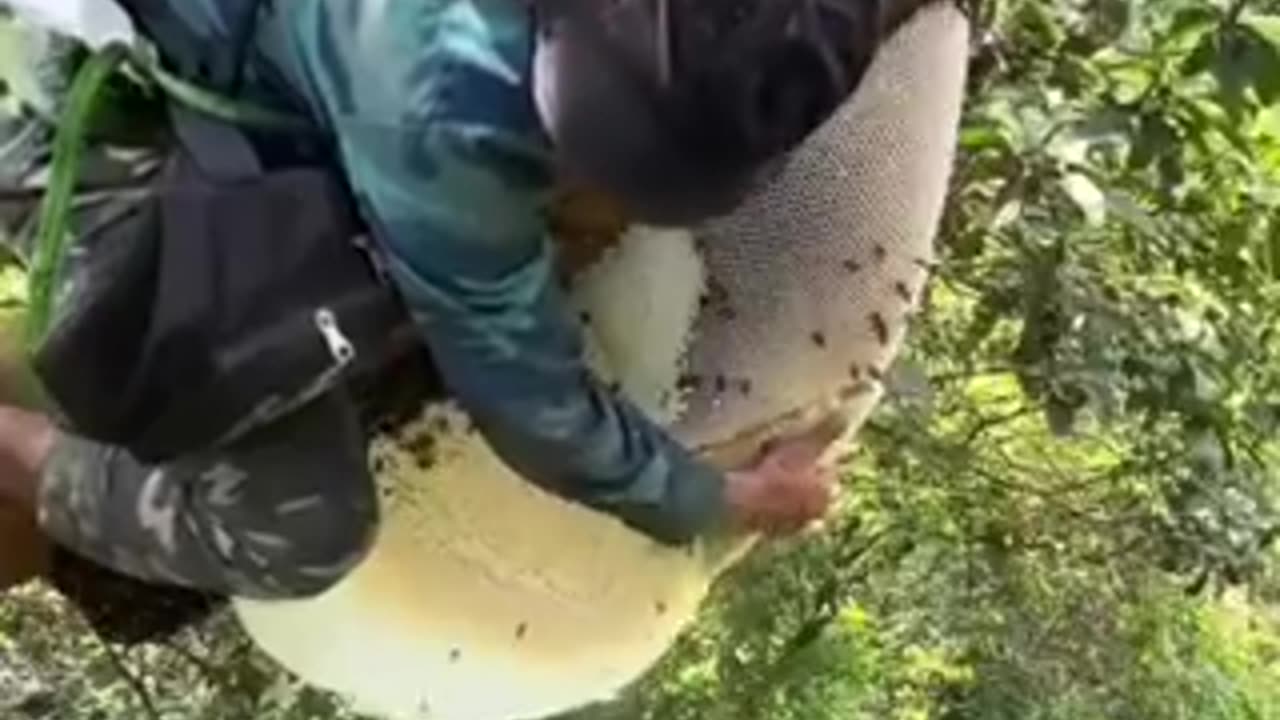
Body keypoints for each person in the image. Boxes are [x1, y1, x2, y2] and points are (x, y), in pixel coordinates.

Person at [0, 0, 881, 600]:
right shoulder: (449, 104)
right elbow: (534, 407)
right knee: (295, 532)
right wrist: (719, 500)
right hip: (55, 73)